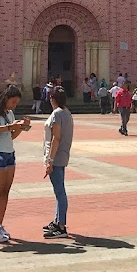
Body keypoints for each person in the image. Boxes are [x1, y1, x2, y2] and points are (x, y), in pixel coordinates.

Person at [0, 85, 31, 243]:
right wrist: (10, 126)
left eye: (16, 103)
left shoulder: (9, 113)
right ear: (6, 98)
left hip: (9, 153)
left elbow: (10, 136)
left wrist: (21, 127)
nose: (14, 105)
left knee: (5, 192)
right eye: (13, 102)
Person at [43, 86, 75, 239]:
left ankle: (61, 226)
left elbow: (56, 137)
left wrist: (50, 160)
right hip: (63, 155)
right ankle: (57, 221)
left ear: (52, 99)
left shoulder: (57, 114)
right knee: (59, 190)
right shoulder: (67, 113)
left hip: (56, 157)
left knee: (60, 192)